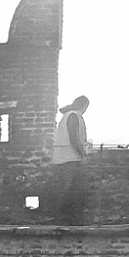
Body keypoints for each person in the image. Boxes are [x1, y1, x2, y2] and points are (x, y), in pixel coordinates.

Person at [47, 94, 90, 223]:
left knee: (69, 191)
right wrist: (82, 154)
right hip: (69, 159)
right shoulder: (73, 115)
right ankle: (62, 220)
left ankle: (67, 219)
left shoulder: (69, 115)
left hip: (66, 158)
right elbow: (74, 138)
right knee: (68, 191)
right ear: (83, 106)